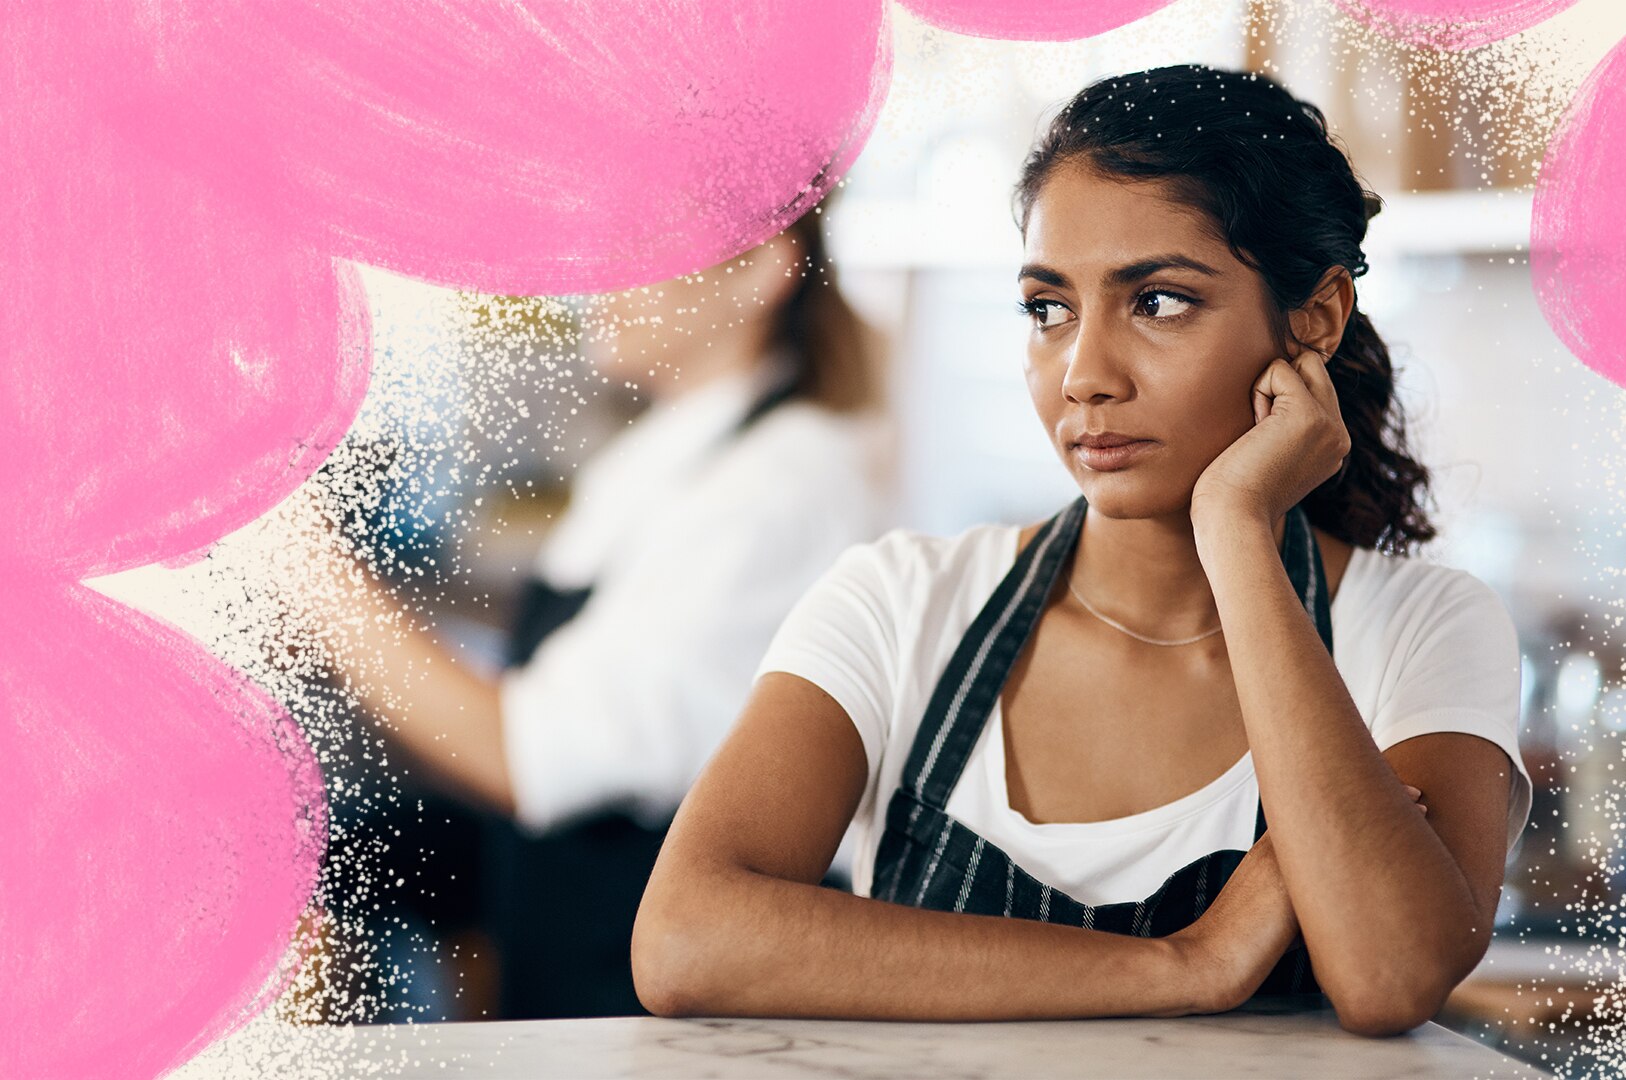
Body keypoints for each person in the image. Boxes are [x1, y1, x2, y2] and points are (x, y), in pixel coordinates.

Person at [629, 65, 1534, 1037]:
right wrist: (1189, 963)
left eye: (1159, 302)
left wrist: (1234, 528)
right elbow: (685, 940)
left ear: (1314, 316)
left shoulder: (1421, 629)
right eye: (1048, 310)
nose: (1085, 375)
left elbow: (1391, 974)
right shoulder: (899, 605)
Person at [298, 202, 892, 1019]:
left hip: (647, 1000)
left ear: (759, 272)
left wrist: (293, 552)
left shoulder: (779, 488)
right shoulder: (668, 455)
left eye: (642, 241)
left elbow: (527, 759)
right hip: (564, 946)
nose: (599, 275)